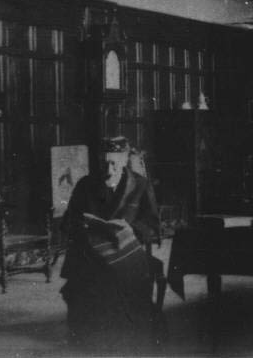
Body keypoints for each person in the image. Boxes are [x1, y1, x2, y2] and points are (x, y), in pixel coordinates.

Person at [60, 136, 160, 352]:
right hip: (91, 253)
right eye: (104, 163)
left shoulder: (140, 185)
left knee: (125, 286)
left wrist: (130, 230)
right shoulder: (85, 184)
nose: (108, 169)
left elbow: (152, 223)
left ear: (125, 160)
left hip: (125, 252)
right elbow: (68, 221)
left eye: (114, 163)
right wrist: (83, 227)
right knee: (83, 283)